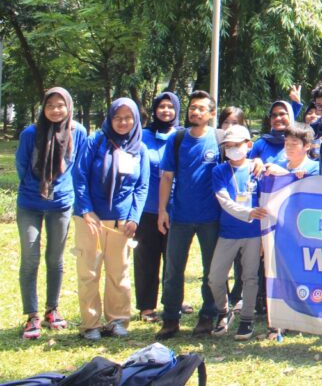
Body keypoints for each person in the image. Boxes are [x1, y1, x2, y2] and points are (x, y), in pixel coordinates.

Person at [72, 98, 149, 340]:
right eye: (117, 117)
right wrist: (86, 210)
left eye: (128, 117)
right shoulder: (95, 141)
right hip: (90, 220)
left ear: (135, 119)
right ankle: (90, 323)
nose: (123, 122)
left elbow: (142, 186)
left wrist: (134, 217)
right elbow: (80, 175)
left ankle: (117, 320)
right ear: (109, 118)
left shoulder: (140, 148)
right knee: (89, 272)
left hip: (121, 222)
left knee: (119, 273)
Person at [16, 87, 88, 340]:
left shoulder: (78, 132)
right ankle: (32, 314)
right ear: (43, 108)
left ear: (69, 106)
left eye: (61, 105)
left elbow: (79, 165)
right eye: (50, 106)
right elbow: (22, 166)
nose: (56, 110)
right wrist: (38, 189)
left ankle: (52, 310)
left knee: (55, 259)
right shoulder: (30, 133)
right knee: (30, 257)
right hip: (30, 202)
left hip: (61, 203)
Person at [156, 90, 222, 339]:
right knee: (173, 270)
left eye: (201, 108)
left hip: (211, 217)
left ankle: (208, 315)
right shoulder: (178, 139)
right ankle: (170, 318)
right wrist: (162, 210)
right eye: (192, 107)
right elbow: (167, 177)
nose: (195, 112)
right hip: (180, 216)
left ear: (211, 114)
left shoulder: (219, 139)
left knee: (211, 271)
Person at [209, 124, 265, 341]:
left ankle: (247, 319)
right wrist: (249, 212)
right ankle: (223, 311)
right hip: (228, 233)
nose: (232, 150)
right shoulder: (219, 171)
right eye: (228, 146)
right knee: (215, 277)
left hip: (253, 234)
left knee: (250, 277)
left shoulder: (259, 169)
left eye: (236, 145)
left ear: (248, 145)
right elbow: (224, 201)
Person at [136, 91, 180, 323]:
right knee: (147, 257)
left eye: (170, 107)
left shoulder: (182, 136)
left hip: (176, 208)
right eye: (161, 106)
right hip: (147, 208)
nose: (165, 111)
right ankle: (146, 306)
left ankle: (173, 301)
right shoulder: (143, 136)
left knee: (173, 259)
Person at [249, 101, 290, 167]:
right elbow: (249, 172)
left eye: (282, 114)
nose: (278, 118)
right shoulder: (260, 144)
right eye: (274, 115)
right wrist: (255, 161)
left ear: (290, 116)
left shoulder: (299, 143)